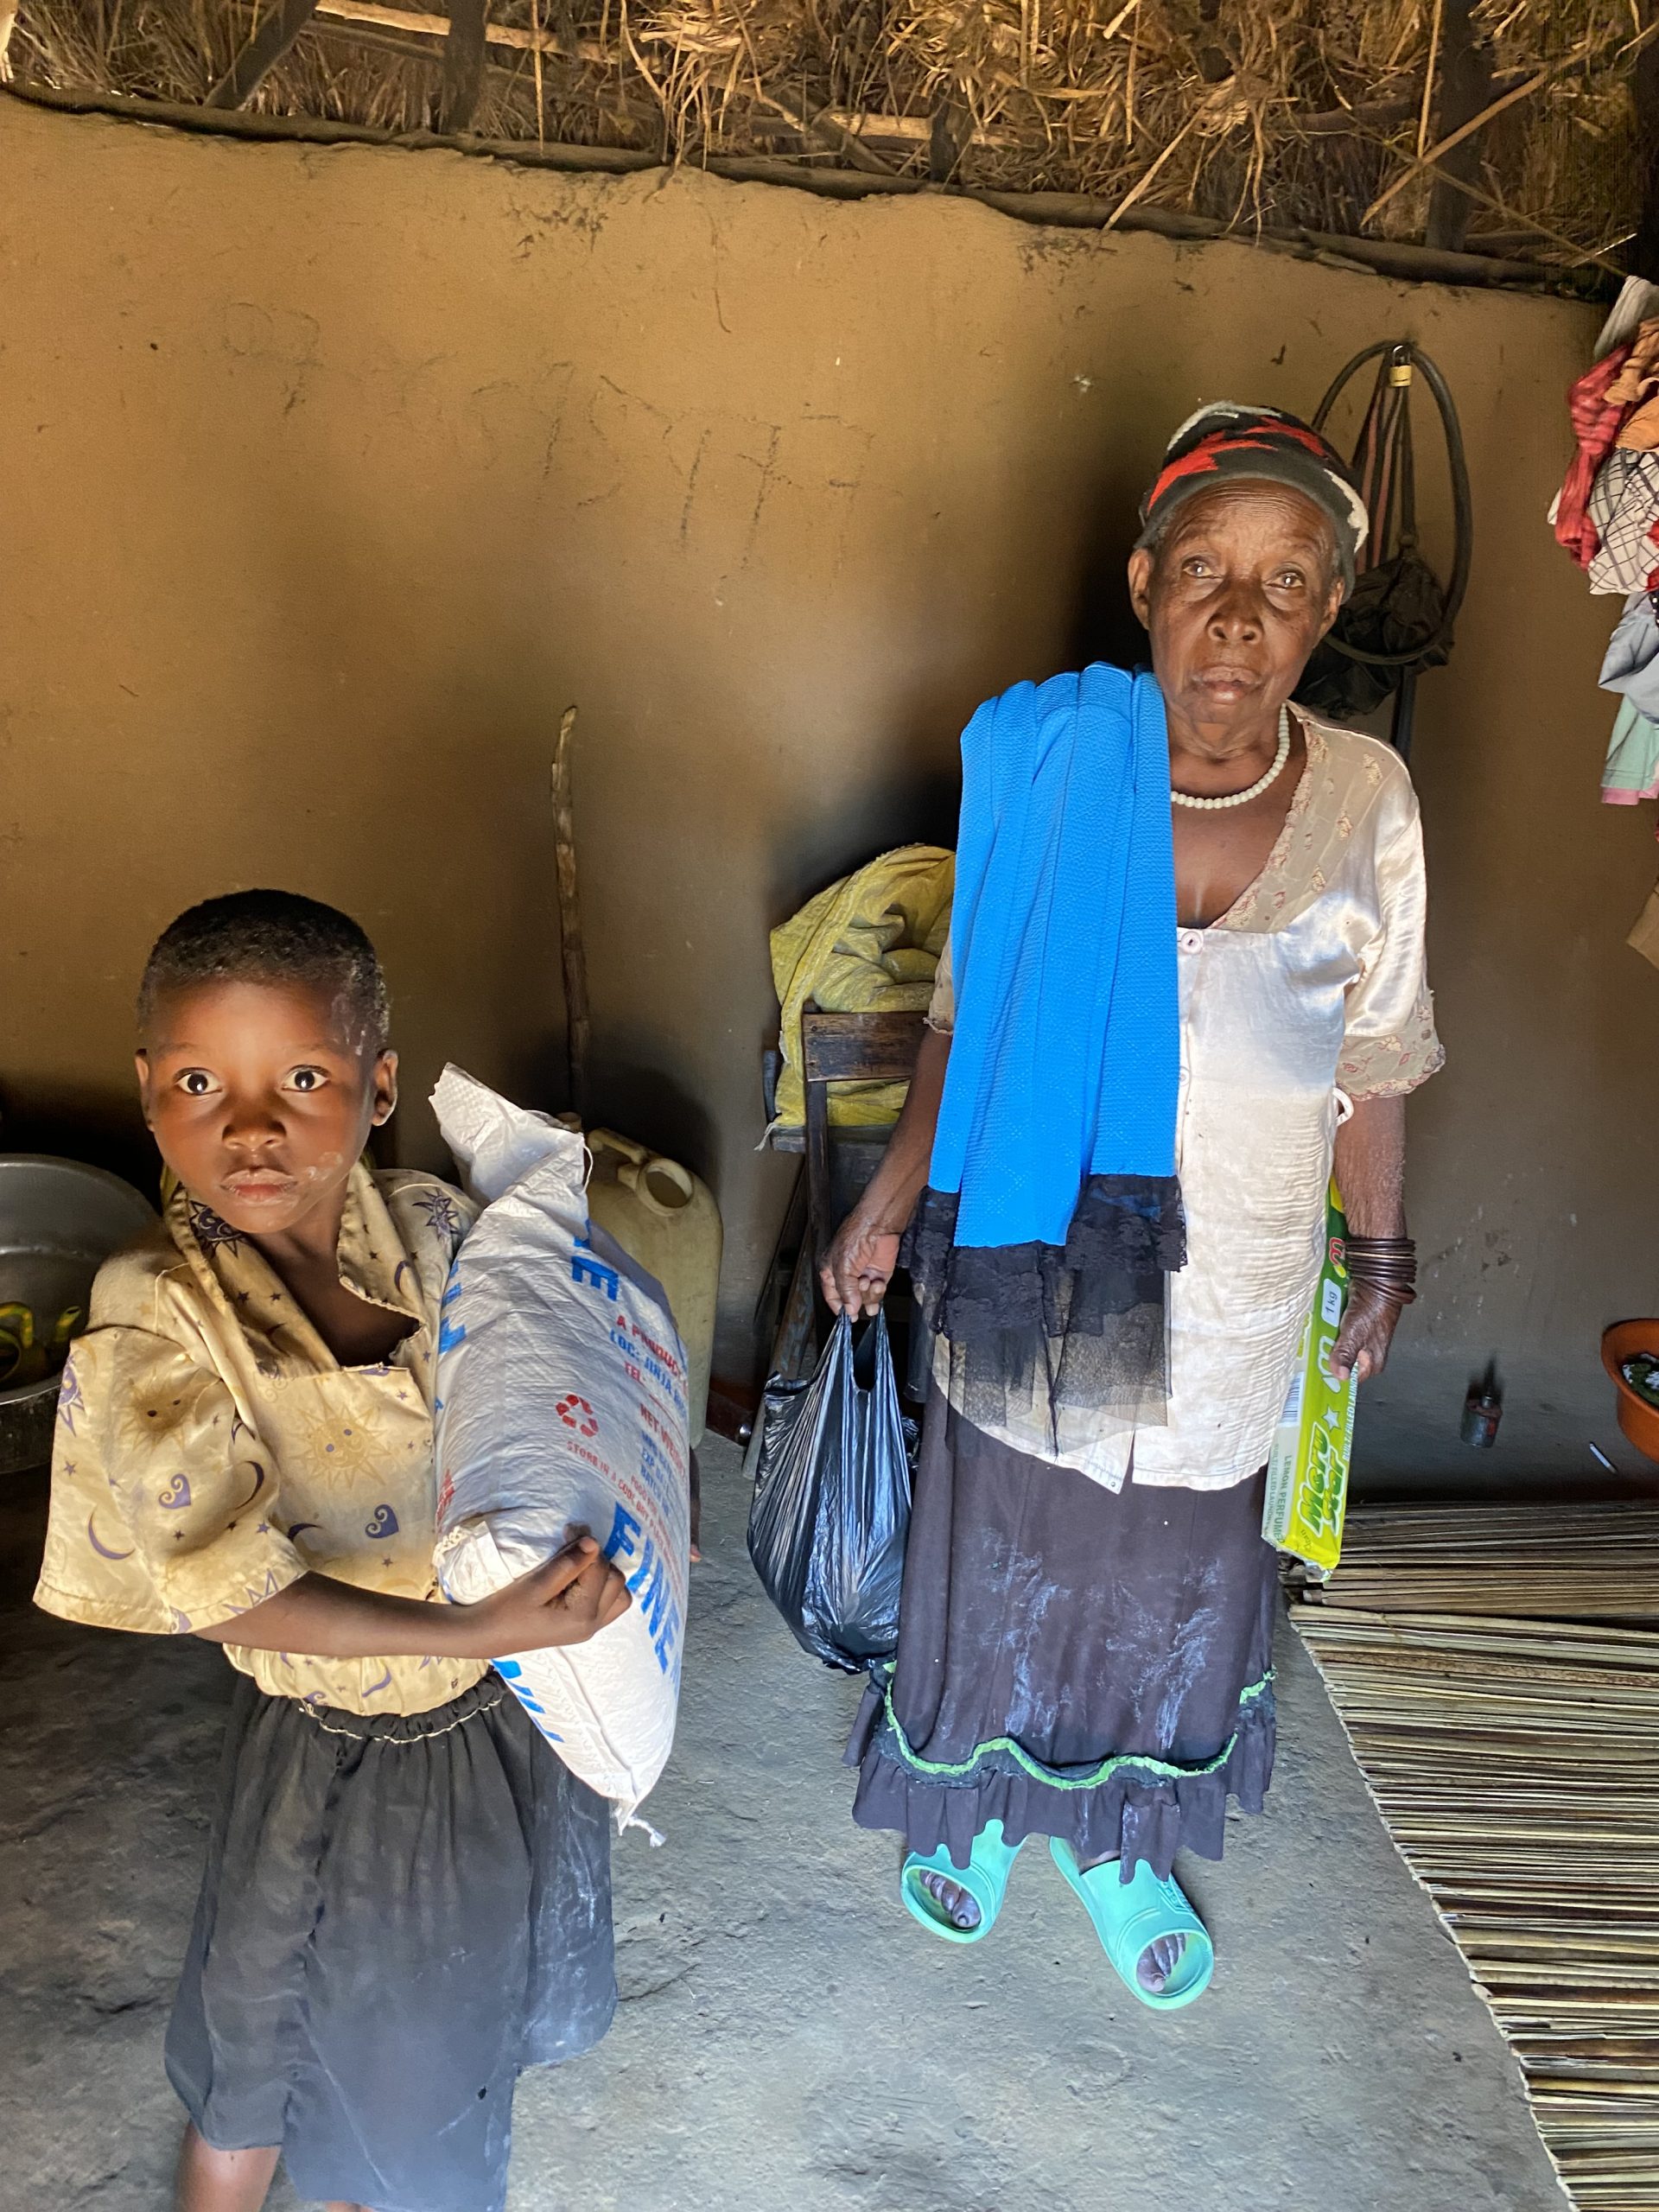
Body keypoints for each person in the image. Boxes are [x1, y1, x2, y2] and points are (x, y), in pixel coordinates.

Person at [823, 404, 1442, 2010]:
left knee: (1170, 1565)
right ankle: (965, 1806)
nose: (1239, 618)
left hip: (1233, 1273)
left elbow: (1376, 1053)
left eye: (1287, 582)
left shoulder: (1368, 801)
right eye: (1207, 572)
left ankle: (1119, 1844)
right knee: (1007, 1519)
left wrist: (1378, 1250)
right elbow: (967, 1009)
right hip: (1027, 1252)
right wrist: (889, 1200)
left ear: (1325, 615)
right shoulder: (1045, 763)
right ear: (1144, 582)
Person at [35, 890, 632, 2212]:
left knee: (414, 2059)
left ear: (378, 1086)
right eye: (201, 1080)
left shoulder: (436, 1230)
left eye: (302, 1075)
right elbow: (234, 1591)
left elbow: (543, 1407)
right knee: (262, 2037)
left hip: (497, 1725)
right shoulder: (156, 1314)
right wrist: (489, 1630)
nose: (250, 1125)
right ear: (149, 1094)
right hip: (323, 1738)